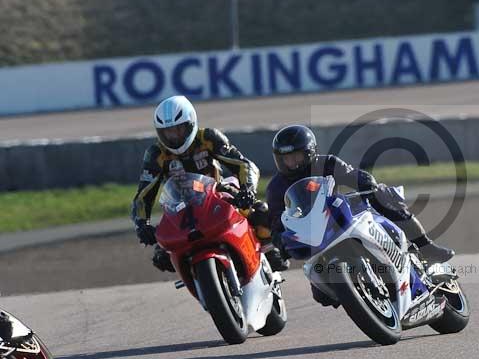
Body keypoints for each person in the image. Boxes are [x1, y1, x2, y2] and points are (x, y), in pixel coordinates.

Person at [131, 95, 283, 272]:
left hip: (218, 195)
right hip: (180, 208)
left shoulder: (208, 138)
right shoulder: (156, 153)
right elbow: (143, 194)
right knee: (161, 257)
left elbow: (244, 165)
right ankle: (199, 278)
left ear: (190, 123)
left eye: (179, 129)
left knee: (262, 216)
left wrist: (247, 190)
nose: (173, 136)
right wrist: (142, 224)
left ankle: (268, 253)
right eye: (168, 132)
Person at [266, 124, 455, 267]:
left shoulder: (328, 163)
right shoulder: (275, 188)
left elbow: (352, 175)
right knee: (321, 295)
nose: (291, 162)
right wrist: (280, 242)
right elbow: (276, 222)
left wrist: (369, 184)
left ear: (309, 152)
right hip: (312, 233)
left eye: (295, 156)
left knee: (383, 198)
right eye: (285, 158)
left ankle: (426, 247)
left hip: (339, 214)